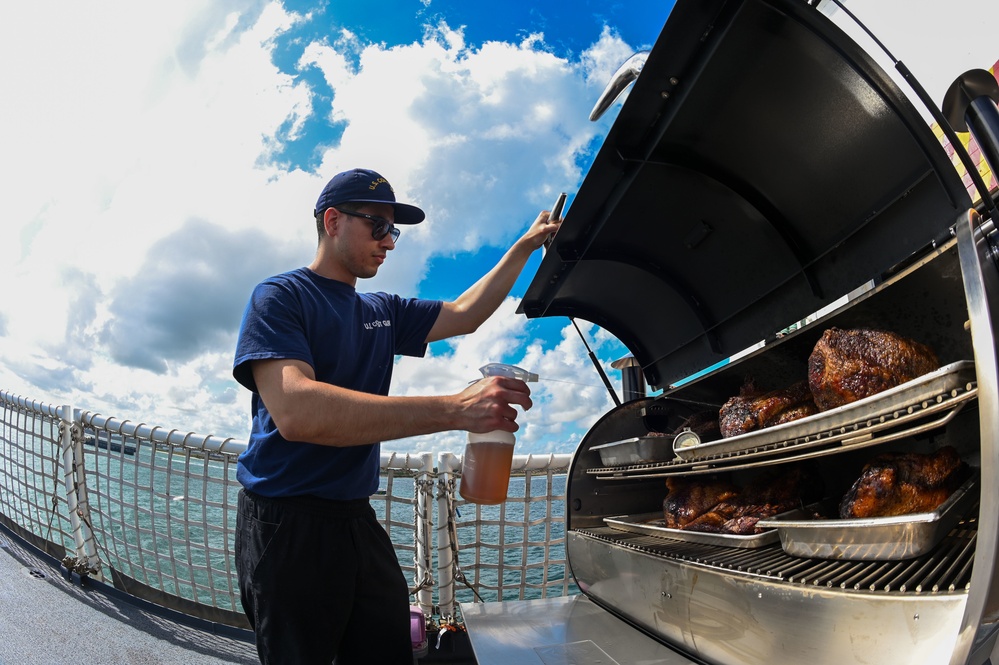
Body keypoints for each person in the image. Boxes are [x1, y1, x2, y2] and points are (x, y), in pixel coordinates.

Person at [231, 167, 561, 664]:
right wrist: (456, 409)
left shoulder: (382, 309)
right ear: (333, 220)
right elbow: (297, 411)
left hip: (353, 516)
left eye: (394, 231)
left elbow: (466, 312)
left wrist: (525, 246)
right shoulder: (280, 297)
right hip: (284, 521)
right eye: (377, 226)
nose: (389, 242)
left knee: (387, 650)